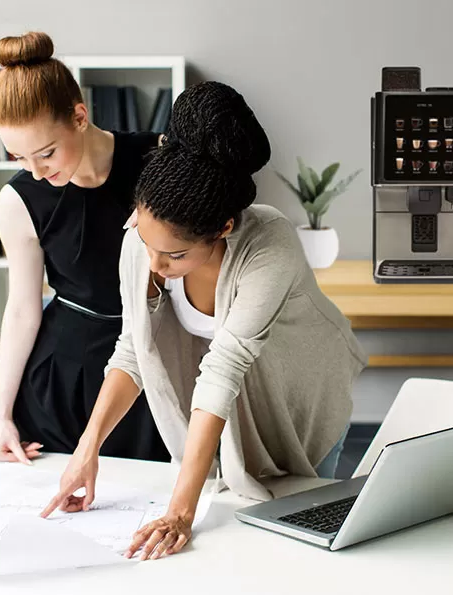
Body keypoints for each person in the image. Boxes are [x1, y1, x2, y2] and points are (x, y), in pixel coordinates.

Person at [40, 81, 367, 560]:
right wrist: (86, 452)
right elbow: (133, 348)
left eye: (173, 255)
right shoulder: (142, 242)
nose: (155, 264)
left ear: (223, 229)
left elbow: (223, 368)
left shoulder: (269, 244)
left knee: (302, 546)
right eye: (147, 243)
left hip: (299, 402)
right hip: (228, 411)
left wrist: (180, 512)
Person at [0, 31, 169, 464]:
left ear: (80, 116)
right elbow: (21, 310)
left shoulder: (158, 160)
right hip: (63, 375)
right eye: (18, 158)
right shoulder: (18, 201)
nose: (34, 171)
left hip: (152, 359)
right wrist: (0, 415)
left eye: (45, 152)